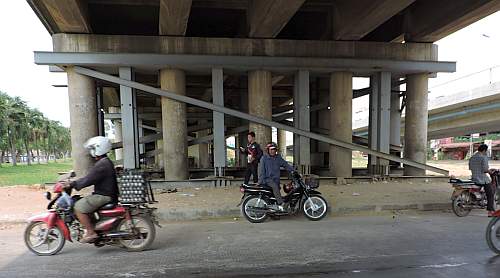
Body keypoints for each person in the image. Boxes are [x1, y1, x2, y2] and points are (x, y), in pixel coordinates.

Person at [66, 136, 119, 243]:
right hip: (106, 194)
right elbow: (90, 178)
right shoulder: (105, 162)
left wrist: (73, 184)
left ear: (98, 149)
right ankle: (95, 227)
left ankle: (91, 232)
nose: (91, 152)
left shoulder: (102, 164)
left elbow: (88, 179)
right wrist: (74, 183)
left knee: (78, 207)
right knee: (84, 202)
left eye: (92, 149)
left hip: (104, 196)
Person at [258, 142, 294, 212]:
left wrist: (293, 171)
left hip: (276, 180)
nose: (273, 151)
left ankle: (275, 210)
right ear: (268, 150)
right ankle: (281, 204)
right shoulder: (264, 158)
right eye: (271, 149)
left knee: (276, 192)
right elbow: (261, 171)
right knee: (275, 187)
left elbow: (285, 165)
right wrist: (260, 181)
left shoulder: (278, 158)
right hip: (267, 179)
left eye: (274, 149)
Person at [469, 143, 497, 217]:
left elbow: (471, 168)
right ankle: (490, 211)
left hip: (474, 178)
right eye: (486, 151)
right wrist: (490, 171)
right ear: (484, 150)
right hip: (482, 179)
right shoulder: (483, 157)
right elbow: (485, 170)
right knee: (490, 194)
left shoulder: (472, 157)